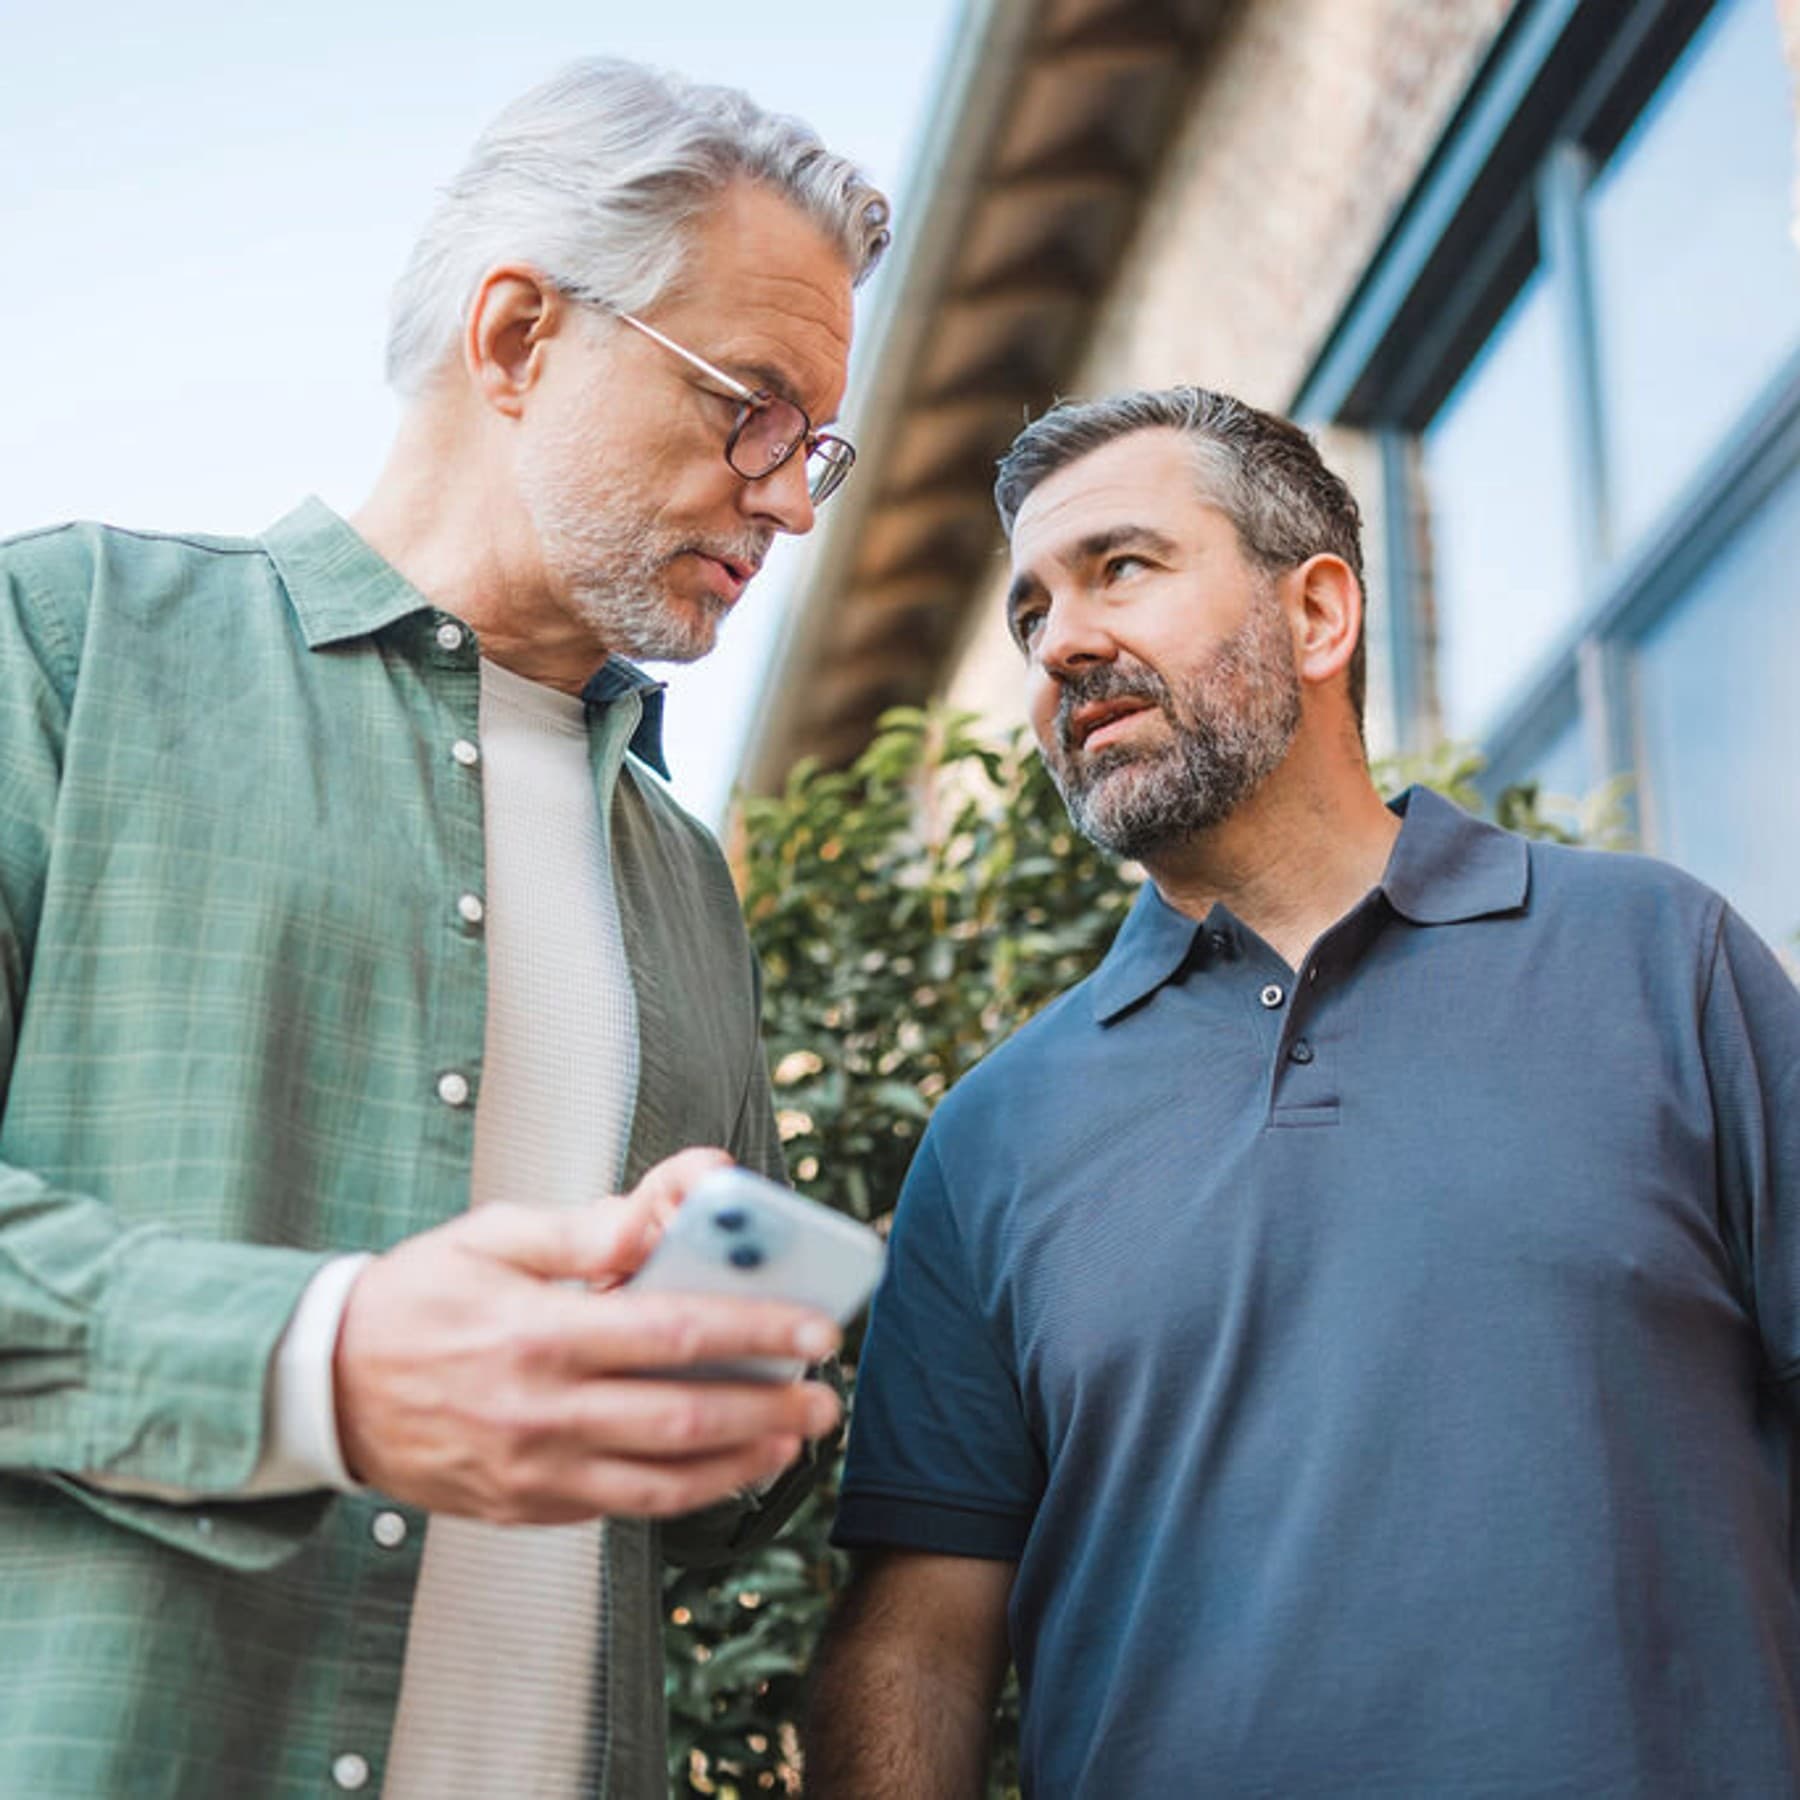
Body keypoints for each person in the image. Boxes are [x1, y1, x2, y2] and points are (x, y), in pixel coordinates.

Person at [0, 58, 889, 1799]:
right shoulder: (63, 645)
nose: (791, 499)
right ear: (515, 338)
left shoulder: (685, 878)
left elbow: (689, 1518)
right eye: (753, 407)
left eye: (822, 450)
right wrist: (320, 1361)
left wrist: (737, 1395)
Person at [805, 387, 1800, 1796]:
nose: (1062, 642)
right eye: (1030, 615)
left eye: (1122, 570)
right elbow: (917, 1644)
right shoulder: (992, 1138)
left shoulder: (1661, 961)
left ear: (1319, 615)